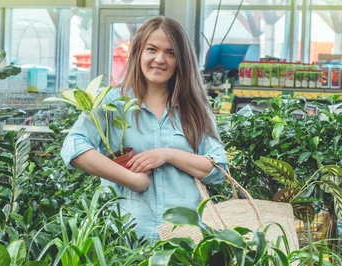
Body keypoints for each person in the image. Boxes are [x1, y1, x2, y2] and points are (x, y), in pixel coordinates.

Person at [61, 16, 228, 240]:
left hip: (185, 239)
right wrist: (132, 180)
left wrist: (168, 155)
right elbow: (73, 147)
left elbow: (219, 169)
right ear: (138, 52)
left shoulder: (194, 107)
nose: (160, 59)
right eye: (152, 49)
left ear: (181, 60)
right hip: (127, 237)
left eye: (170, 53)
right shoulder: (112, 102)